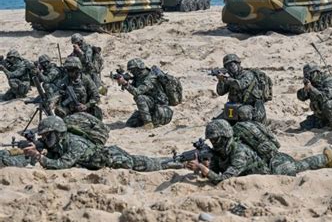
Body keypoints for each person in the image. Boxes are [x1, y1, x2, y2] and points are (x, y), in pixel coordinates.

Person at [185, 119, 332, 184]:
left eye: (216, 139)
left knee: (297, 166)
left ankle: (324, 159)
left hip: (272, 168)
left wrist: (203, 169)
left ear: (225, 137)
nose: (213, 143)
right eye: (211, 140)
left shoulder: (239, 152)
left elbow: (224, 179)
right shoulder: (223, 151)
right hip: (257, 170)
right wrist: (205, 166)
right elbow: (217, 170)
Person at [19, 116, 180, 171]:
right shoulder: (60, 142)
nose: (45, 140)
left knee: (149, 164)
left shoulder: (75, 142)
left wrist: (39, 157)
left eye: (48, 136)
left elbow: (62, 164)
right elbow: (54, 151)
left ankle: (175, 162)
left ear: (58, 133)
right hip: (103, 161)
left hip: (113, 159)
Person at [116, 58, 173, 130]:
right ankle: (148, 118)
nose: (132, 72)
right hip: (150, 107)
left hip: (160, 107)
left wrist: (125, 83)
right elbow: (133, 88)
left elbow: (137, 92)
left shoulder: (151, 78)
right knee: (131, 123)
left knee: (139, 98)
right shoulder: (138, 78)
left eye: (133, 70)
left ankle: (148, 124)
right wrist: (125, 81)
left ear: (138, 68)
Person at [297, 63, 332, 130]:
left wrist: (312, 89)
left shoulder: (329, 81)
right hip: (321, 115)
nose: (309, 77)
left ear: (316, 72)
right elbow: (301, 97)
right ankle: (324, 123)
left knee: (328, 104)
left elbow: (324, 97)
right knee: (304, 126)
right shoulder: (312, 83)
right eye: (306, 76)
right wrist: (305, 89)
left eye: (310, 74)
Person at [215, 54, 268, 124]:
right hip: (234, 107)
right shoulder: (230, 78)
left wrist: (226, 79)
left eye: (232, 65)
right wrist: (221, 80)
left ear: (238, 64)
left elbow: (240, 85)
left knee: (242, 112)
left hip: (251, 107)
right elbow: (220, 92)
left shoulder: (248, 74)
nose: (231, 67)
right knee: (217, 122)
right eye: (228, 66)